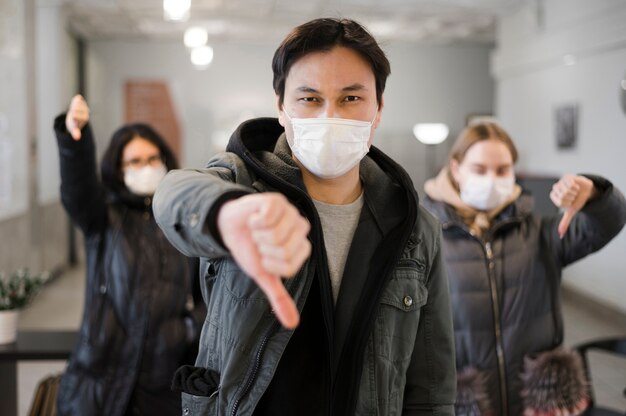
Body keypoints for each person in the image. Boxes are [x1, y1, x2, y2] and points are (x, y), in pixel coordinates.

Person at [153, 18, 456, 415]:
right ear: (281, 107)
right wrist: (225, 214)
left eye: (351, 98)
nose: (330, 116)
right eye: (310, 99)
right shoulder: (242, 184)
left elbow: (431, 390)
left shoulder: (414, 229)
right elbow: (172, 194)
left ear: (378, 109)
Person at [422, 121, 626, 416]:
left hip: (538, 399)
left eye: (502, 169)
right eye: (479, 169)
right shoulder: (426, 235)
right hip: (467, 400)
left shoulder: (538, 232)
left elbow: (609, 223)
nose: (492, 179)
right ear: (456, 169)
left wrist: (594, 194)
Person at [53, 95, 206, 416]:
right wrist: (74, 141)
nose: (147, 167)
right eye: (135, 161)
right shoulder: (104, 217)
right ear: (118, 168)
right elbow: (77, 190)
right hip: (103, 372)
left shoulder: (181, 220)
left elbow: (206, 290)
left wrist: (189, 328)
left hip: (165, 374)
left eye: (153, 158)